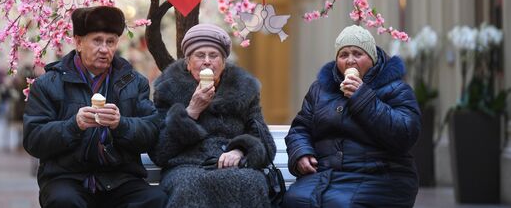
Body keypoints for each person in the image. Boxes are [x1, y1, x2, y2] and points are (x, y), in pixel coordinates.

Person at [23, 6, 166, 208]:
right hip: (67, 177)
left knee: (155, 199)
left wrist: (121, 124)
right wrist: (74, 125)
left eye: (111, 42)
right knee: (64, 201)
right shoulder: (48, 84)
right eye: (97, 41)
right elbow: (33, 140)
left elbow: (152, 132)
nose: (104, 49)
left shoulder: (134, 82)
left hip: (120, 178)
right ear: (79, 42)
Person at [282, 25, 421, 208]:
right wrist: (301, 153)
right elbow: (301, 127)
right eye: (344, 55)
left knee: (340, 204)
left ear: (372, 58)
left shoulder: (396, 89)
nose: (350, 61)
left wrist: (363, 97)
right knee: (294, 200)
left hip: (381, 176)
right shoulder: (320, 89)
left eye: (357, 53)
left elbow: (405, 134)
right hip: (326, 174)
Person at [150, 23, 276, 208]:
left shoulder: (243, 89)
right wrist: (192, 111)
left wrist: (240, 150)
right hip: (186, 166)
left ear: (223, 62)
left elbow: (265, 143)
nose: (207, 61)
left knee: (251, 182)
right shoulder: (168, 89)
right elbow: (159, 152)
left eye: (214, 55)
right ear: (188, 62)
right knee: (187, 186)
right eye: (200, 55)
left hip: (232, 164)